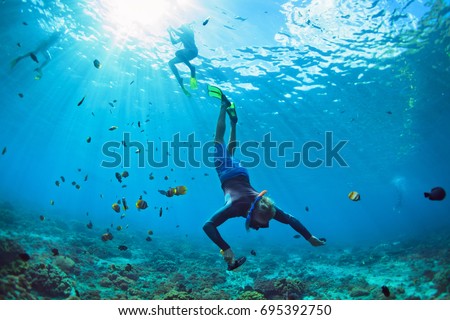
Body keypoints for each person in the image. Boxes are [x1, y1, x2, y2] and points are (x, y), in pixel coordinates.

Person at [203, 85, 326, 271]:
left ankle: (234, 122)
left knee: (229, 151)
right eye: (263, 223)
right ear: (253, 213)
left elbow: (290, 219)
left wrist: (310, 238)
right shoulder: (236, 207)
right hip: (227, 174)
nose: (264, 226)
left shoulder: (266, 209)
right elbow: (208, 226)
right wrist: (225, 248)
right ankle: (223, 105)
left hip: (242, 173)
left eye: (266, 222)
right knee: (218, 141)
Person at [167, 24, 198, 96]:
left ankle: (191, 67)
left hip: (192, 51)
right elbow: (174, 42)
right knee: (170, 62)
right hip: (186, 54)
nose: (182, 30)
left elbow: (179, 33)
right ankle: (179, 78)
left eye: (182, 29)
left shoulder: (190, 32)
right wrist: (170, 33)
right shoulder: (182, 35)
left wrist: (172, 29)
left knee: (178, 53)